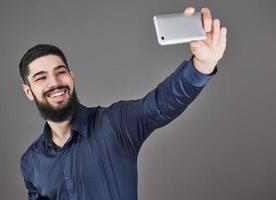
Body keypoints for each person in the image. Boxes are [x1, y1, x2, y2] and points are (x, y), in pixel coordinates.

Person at [19, 7, 227, 200]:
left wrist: (202, 64)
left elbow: (159, 105)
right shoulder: (30, 162)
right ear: (28, 91)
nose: (54, 83)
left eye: (60, 72)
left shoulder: (114, 124)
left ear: (71, 77)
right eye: (41, 77)